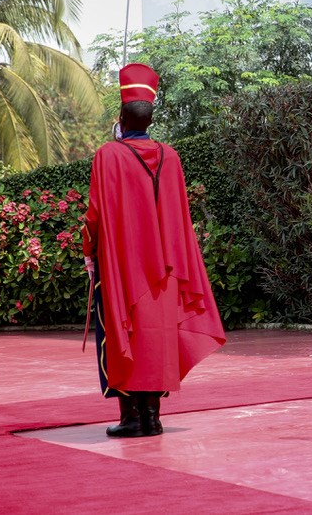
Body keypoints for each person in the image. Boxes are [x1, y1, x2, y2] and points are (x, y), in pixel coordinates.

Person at [82, 63, 226, 438]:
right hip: (164, 268)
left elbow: (95, 215)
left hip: (124, 267)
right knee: (156, 336)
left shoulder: (107, 156)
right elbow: (178, 218)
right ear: (150, 118)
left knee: (122, 332)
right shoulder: (172, 157)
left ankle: (131, 418)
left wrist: (88, 252)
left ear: (121, 116)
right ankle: (152, 416)